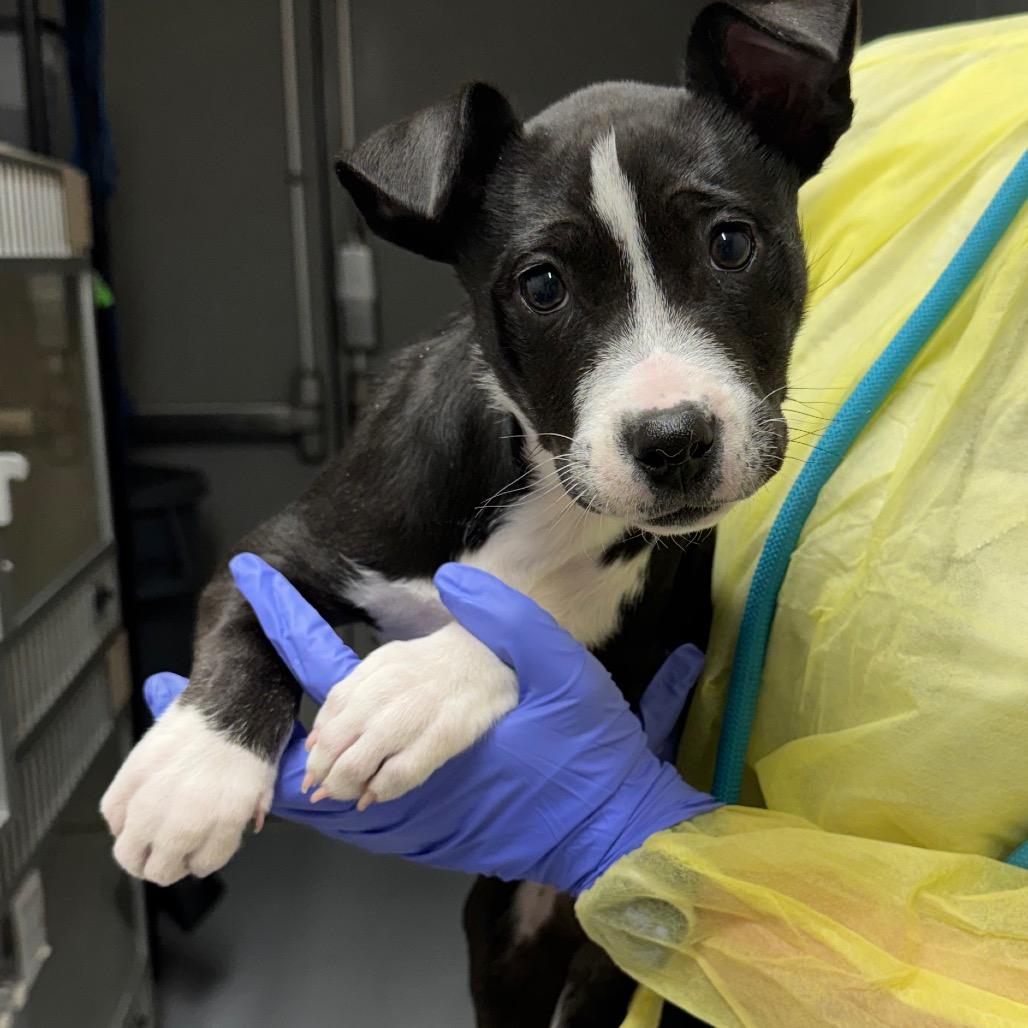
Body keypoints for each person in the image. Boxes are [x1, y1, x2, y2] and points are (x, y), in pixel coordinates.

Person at [145, 14, 1028, 1028]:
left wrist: (614, 813)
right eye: (545, 284)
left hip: (814, 917)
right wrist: (226, 715)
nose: (665, 401)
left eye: (727, 243)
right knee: (522, 936)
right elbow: (278, 574)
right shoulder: (945, 99)